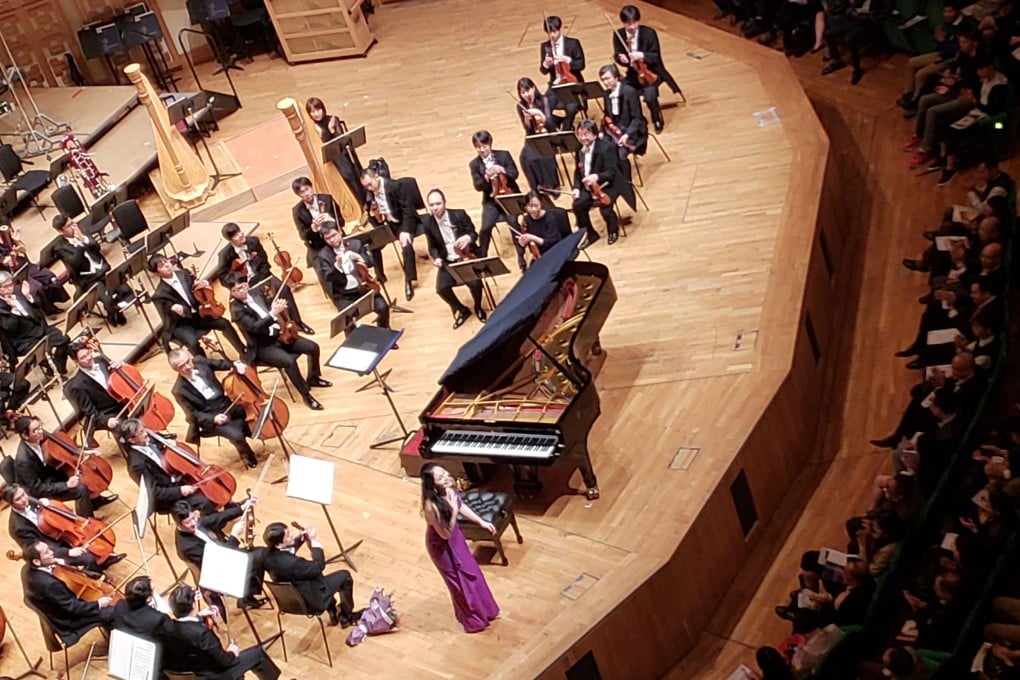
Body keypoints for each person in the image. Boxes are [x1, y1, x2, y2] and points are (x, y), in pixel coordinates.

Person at [223, 271, 329, 411]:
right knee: (289, 362)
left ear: (247, 285)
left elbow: (268, 304)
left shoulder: (256, 293)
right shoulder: (236, 310)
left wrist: (278, 305)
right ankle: (306, 395)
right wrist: (273, 313)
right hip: (263, 346)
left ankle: (313, 377)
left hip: (280, 335)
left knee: (313, 347)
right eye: (234, 290)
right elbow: (255, 328)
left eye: (241, 287)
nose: (239, 292)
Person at [420, 462, 500, 633]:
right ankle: (473, 620)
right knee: (459, 583)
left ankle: (487, 611)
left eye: (444, 472)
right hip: (441, 546)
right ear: (432, 485)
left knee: (473, 573)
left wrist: (480, 521)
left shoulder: (448, 488)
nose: (446, 477)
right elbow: (444, 534)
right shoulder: (430, 506)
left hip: (455, 537)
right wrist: (454, 509)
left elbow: (460, 504)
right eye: (440, 477)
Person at [164, 583, 281, 680]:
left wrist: (199, 616)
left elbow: (186, 629)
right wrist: (232, 652)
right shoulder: (202, 634)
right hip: (215, 676)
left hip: (192, 673)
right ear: (194, 604)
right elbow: (225, 661)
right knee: (258, 654)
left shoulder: (167, 628)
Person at [215, 223, 315, 335]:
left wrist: (260, 278)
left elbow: (264, 262)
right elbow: (223, 277)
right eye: (236, 235)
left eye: (239, 231)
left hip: (261, 277)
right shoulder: (224, 255)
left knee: (285, 289)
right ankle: (274, 330)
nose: (241, 235)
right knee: (254, 303)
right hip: (244, 285)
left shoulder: (253, 241)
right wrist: (239, 280)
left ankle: (297, 322)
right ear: (230, 240)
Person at [168, 348, 260, 468]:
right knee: (237, 435)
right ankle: (248, 455)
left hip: (225, 403)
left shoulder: (200, 361)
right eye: (182, 366)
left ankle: (255, 432)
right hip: (212, 416)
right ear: (176, 369)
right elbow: (192, 414)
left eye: (188, 361)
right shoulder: (179, 390)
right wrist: (213, 419)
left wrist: (236, 364)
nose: (188, 366)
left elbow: (221, 364)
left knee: (253, 410)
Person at [12, 414, 117, 518]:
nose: (41, 431)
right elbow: (37, 489)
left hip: (52, 474)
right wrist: (66, 485)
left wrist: (87, 451)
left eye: (40, 427)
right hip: (43, 489)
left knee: (82, 475)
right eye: (35, 430)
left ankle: (94, 502)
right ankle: (86, 520)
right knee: (81, 488)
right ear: (25, 436)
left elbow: (70, 448)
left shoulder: (40, 439)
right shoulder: (23, 461)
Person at [5, 483, 126, 572]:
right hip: (53, 549)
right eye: (18, 499)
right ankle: (98, 577)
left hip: (63, 532)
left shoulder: (30, 500)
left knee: (89, 533)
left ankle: (104, 557)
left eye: (23, 495)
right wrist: (67, 552)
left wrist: (48, 502)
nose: (24, 499)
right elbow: (37, 550)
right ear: (11, 503)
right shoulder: (17, 528)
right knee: (88, 558)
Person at [171, 500, 268, 609]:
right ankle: (246, 595)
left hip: (220, 555)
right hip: (217, 571)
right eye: (188, 522)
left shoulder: (193, 524)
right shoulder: (187, 547)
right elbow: (220, 559)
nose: (194, 523)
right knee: (259, 557)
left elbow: (216, 518)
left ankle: (247, 595)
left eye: (193, 518)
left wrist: (241, 508)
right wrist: (234, 536)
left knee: (261, 553)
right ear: (178, 524)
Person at [148, 253, 246, 358]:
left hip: (199, 314)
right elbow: (167, 319)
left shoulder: (184, 273)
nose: (167, 265)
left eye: (166, 261)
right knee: (193, 343)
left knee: (224, 323)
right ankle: (205, 367)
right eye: (162, 266)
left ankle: (243, 352)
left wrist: (203, 283)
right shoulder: (159, 295)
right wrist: (173, 310)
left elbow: (197, 289)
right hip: (181, 324)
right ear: (157, 273)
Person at [262, 521, 358, 627]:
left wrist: (300, 539)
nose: (292, 536)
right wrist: (315, 542)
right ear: (279, 544)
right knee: (345, 576)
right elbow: (319, 566)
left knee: (317, 576)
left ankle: (332, 610)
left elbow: (287, 551)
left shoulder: (265, 555)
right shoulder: (293, 563)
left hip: (290, 599)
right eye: (289, 536)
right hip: (311, 600)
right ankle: (346, 617)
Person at [117, 418, 218, 515]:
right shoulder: (136, 465)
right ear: (132, 440)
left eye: (144, 429)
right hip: (168, 494)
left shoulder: (148, 439)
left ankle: (226, 507)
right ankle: (213, 527)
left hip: (176, 475)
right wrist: (180, 491)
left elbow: (162, 445)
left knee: (212, 483)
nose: (146, 433)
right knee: (203, 501)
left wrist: (170, 444)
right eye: (141, 433)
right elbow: (154, 491)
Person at [21, 541, 115, 643]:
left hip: (58, 609)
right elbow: (73, 607)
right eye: (47, 552)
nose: (52, 552)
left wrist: (55, 562)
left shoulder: (27, 570)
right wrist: (98, 604)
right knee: (113, 611)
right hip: (69, 620)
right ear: (37, 561)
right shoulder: (50, 584)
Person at [612, 4, 684, 133]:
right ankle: (636, 120)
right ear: (623, 23)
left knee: (650, 95)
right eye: (629, 24)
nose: (632, 26)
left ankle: (657, 119)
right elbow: (617, 54)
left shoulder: (649, 33)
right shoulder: (618, 35)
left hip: (652, 72)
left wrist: (642, 55)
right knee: (623, 91)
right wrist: (621, 59)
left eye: (635, 22)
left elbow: (656, 56)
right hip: (634, 73)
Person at [422, 189, 486, 328]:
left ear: (444, 202)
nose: (435, 208)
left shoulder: (459, 214)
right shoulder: (428, 223)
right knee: (441, 289)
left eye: (438, 204)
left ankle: (478, 307)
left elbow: (474, 234)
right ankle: (463, 310)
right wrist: (436, 257)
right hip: (448, 261)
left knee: (475, 284)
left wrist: (467, 238)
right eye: (431, 205)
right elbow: (432, 246)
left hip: (465, 258)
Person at [51, 213, 126, 326]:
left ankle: (117, 305)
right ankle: (113, 315)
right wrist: (80, 244)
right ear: (61, 232)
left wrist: (84, 239)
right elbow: (75, 263)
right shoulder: (59, 248)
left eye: (73, 222)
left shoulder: (82, 232)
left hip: (103, 270)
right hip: (89, 280)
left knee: (125, 289)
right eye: (69, 226)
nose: (74, 226)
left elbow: (97, 248)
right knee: (108, 301)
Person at [312, 223, 391, 328]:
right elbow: (329, 278)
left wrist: (359, 258)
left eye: (334, 235)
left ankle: (383, 331)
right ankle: (354, 343)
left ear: (340, 232)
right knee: (347, 323)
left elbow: (371, 262)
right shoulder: (323, 256)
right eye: (328, 238)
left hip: (364, 286)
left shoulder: (355, 244)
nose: (332, 240)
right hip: (345, 294)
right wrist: (337, 267)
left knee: (383, 307)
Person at [361, 166, 420, 300]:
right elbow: (371, 215)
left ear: (376, 176)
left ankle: (409, 281)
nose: (369, 188)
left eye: (370, 184)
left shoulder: (396, 186)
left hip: (404, 222)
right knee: (373, 244)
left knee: (406, 246)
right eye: (366, 186)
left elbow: (408, 211)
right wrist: (373, 215)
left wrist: (406, 230)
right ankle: (380, 276)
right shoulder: (370, 193)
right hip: (389, 224)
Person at [0, 270, 70, 377]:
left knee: (64, 339)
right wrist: (13, 309)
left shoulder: (18, 291)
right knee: (44, 353)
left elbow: (38, 306)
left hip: (39, 328)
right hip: (23, 340)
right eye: (5, 287)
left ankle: (58, 369)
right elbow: (10, 327)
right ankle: (54, 371)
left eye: (11, 284)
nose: (10, 288)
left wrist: (28, 296)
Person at [469, 131, 521, 264]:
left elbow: (514, 174)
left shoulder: (504, 155)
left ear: (490, 144)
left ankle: (521, 257)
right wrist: (486, 177)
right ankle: (483, 257)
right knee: (485, 228)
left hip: (509, 196)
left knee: (514, 224)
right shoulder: (474, 164)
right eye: (478, 147)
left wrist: (501, 169)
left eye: (484, 146)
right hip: (491, 200)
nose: (482, 150)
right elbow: (478, 186)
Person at [572, 118, 626, 246]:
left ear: (595, 135)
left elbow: (611, 172)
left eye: (586, 134)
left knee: (605, 207)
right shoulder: (579, 148)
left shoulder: (607, 148)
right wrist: (576, 188)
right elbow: (577, 171)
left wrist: (596, 177)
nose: (582, 138)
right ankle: (591, 234)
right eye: (580, 134)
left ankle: (613, 230)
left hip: (608, 184)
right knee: (578, 206)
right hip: (589, 186)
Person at [0, 221, 69, 315]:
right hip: (12, 276)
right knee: (37, 287)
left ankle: (54, 301)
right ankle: (49, 310)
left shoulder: (5, 234)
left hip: (24, 266)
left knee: (48, 275)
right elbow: (4, 262)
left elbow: (23, 250)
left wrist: (17, 241)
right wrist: (6, 261)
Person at [305, 97, 365, 204]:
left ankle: (361, 200)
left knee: (348, 174)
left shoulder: (332, 120)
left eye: (318, 110)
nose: (316, 114)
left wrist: (331, 130)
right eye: (312, 112)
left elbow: (341, 141)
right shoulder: (312, 127)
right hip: (326, 158)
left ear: (323, 109)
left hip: (340, 154)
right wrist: (321, 133)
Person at [63, 339, 131, 434]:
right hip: (109, 413)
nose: (89, 358)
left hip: (125, 401)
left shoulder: (102, 360)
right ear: (76, 362)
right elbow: (91, 412)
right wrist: (107, 420)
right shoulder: (78, 386)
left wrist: (121, 366)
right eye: (83, 357)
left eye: (88, 353)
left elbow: (120, 379)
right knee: (128, 431)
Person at [598, 63, 648, 182]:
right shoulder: (606, 94)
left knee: (620, 155)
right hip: (614, 130)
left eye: (607, 78)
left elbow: (638, 119)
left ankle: (626, 181)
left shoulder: (630, 92)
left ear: (616, 77)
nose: (605, 83)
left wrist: (627, 135)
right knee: (599, 150)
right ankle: (610, 179)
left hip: (632, 131)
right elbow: (606, 116)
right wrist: (600, 132)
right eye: (603, 80)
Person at [539, 15, 586, 131]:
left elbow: (581, 65)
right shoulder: (545, 47)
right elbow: (543, 70)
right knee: (543, 109)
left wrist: (567, 60)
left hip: (572, 83)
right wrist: (546, 64)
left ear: (559, 29)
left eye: (554, 31)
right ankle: (558, 123)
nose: (552, 35)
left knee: (571, 109)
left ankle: (566, 130)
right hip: (556, 84)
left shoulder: (573, 43)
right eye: (549, 33)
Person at [515, 77, 560, 193]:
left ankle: (550, 185)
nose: (526, 95)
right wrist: (526, 119)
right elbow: (528, 130)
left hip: (548, 133)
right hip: (533, 135)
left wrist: (540, 114)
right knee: (525, 157)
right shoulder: (521, 106)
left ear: (533, 88)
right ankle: (535, 186)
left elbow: (551, 124)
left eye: (528, 90)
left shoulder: (545, 101)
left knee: (544, 154)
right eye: (523, 92)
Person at [519, 190, 572, 259]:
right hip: (539, 254)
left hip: (556, 251)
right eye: (530, 206)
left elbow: (553, 242)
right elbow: (528, 242)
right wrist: (522, 243)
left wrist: (533, 238)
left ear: (541, 204)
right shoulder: (526, 220)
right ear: (526, 207)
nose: (534, 209)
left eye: (536, 205)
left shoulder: (550, 218)